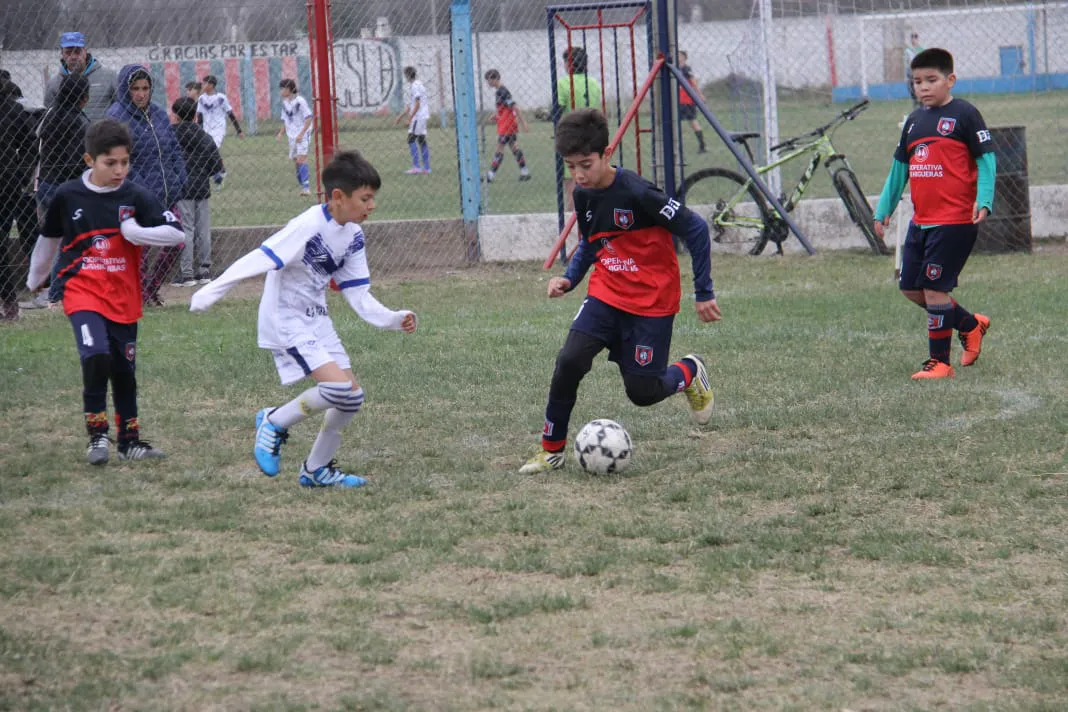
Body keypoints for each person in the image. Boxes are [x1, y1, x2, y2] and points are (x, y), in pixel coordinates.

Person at [189, 150, 418, 488]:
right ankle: (274, 420)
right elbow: (261, 258)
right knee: (337, 388)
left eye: (372, 198)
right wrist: (211, 290)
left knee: (351, 398)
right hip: (286, 319)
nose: (372, 206)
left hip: (317, 320)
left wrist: (393, 318)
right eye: (365, 198)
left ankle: (315, 470)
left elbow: (357, 293)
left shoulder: (353, 235)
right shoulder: (308, 226)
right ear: (338, 196)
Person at [519, 109, 721, 474]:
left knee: (642, 392)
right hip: (606, 294)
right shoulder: (583, 194)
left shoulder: (638, 192)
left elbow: (695, 228)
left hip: (652, 302)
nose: (579, 175)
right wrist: (569, 278)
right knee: (569, 361)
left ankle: (690, 371)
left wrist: (703, 292)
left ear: (607, 153)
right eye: (571, 167)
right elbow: (592, 243)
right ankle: (551, 450)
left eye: (586, 165)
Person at [26, 118, 184, 463]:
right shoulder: (68, 195)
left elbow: (177, 233)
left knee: (124, 371)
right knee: (96, 354)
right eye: (110, 163)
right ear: (90, 160)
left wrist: (136, 233)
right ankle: (97, 436)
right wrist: (34, 279)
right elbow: (49, 239)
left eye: (125, 162)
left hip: (123, 297)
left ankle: (130, 442)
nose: (119, 170)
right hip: (82, 291)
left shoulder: (135, 195)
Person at [873, 48, 995, 381]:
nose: (923, 87)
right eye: (917, 82)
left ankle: (939, 362)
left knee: (934, 290)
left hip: (955, 220)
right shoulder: (914, 121)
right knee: (910, 289)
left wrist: (984, 199)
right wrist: (883, 209)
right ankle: (970, 325)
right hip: (921, 221)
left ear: (950, 80)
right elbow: (899, 169)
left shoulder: (965, 114)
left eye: (931, 79)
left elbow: (987, 160)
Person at [106, 64, 187, 306]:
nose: (141, 94)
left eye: (145, 88)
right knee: (139, 248)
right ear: (125, 89)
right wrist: (142, 191)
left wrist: (179, 178)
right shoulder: (116, 117)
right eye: (135, 89)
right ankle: (139, 295)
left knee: (177, 241)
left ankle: (150, 289)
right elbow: (120, 161)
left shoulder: (159, 114)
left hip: (165, 195)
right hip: (136, 198)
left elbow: (173, 148)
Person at [170, 97, 223, 286]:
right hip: (201, 187)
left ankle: (187, 273)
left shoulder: (170, 135)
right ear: (195, 115)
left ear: (176, 115)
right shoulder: (204, 136)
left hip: (182, 188)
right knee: (203, 229)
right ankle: (204, 270)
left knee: (186, 228)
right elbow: (216, 166)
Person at [0, 79, 38, 321]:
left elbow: (30, 146)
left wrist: (20, 174)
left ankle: (9, 301)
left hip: (5, 187)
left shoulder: (11, 110)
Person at [556, 47, 604, 212]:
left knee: (572, 181)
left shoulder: (564, 83)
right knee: (593, 176)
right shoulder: (594, 83)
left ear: (569, 64)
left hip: (572, 136)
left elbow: (558, 109)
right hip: (593, 135)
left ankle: (573, 217)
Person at [43, 32, 118, 122]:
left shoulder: (109, 76)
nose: (73, 57)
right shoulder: (54, 84)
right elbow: (50, 118)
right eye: (68, 53)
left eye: (77, 52)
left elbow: (121, 107)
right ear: (62, 53)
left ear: (85, 51)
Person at [483, 69, 530, 183]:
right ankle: (525, 172)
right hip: (506, 124)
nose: (488, 83)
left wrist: (524, 123)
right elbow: (504, 108)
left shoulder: (503, 91)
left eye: (489, 80)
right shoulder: (499, 91)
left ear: (495, 79)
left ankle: (490, 176)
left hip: (506, 126)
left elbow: (515, 107)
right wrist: (495, 115)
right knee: (514, 147)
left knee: (500, 148)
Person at [197, 74, 243, 186]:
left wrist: (239, 130)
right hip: (206, 129)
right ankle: (220, 170)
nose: (202, 85)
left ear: (211, 85)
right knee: (208, 152)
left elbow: (230, 114)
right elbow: (200, 116)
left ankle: (218, 175)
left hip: (218, 129)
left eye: (204, 83)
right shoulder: (201, 99)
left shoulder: (221, 98)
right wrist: (198, 131)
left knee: (212, 149)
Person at [275, 79, 314, 196]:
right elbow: (285, 120)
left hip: (303, 133)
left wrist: (302, 133)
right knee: (296, 161)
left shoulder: (300, 101)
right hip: (291, 135)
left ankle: (306, 188)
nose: (281, 91)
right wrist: (281, 133)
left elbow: (309, 118)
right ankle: (303, 183)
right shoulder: (285, 103)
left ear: (289, 89)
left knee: (301, 158)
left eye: (283, 89)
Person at [394, 66, 431, 175]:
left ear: (407, 75)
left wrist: (409, 119)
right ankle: (427, 168)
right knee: (421, 140)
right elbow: (411, 105)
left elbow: (418, 104)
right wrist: (400, 117)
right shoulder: (419, 84)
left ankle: (416, 167)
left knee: (411, 139)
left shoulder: (415, 86)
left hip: (418, 117)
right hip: (422, 116)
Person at [677, 51, 708, 154]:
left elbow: (694, 82)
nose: (678, 57)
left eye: (680, 56)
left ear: (684, 58)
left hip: (687, 100)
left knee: (692, 122)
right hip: (678, 100)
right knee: (675, 122)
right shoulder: (675, 68)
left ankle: (702, 145)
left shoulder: (686, 69)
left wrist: (700, 95)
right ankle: (676, 147)